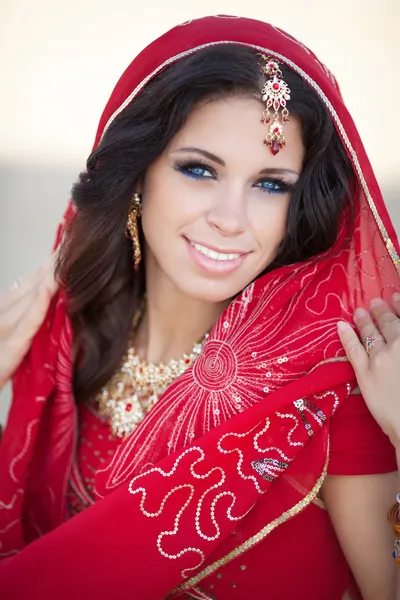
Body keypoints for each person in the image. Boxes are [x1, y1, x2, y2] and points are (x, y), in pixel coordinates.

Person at [0, 15, 399, 600]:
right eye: (198, 170)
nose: (231, 218)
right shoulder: (69, 342)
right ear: (139, 175)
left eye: (271, 184)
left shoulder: (331, 388)